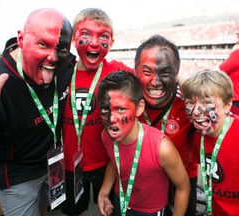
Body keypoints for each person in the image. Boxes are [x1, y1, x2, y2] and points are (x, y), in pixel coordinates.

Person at [0, 8, 75, 216]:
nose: (53, 57)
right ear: (21, 39)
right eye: (42, 44)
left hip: (51, 164)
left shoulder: (65, 63)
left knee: (44, 210)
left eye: (61, 48)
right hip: (17, 174)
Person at [61, 8, 134, 216]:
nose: (94, 43)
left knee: (109, 211)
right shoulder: (61, 71)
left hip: (107, 163)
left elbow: (149, 82)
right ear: (74, 38)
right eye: (85, 34)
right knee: (73, 212)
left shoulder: (117, 71)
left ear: (111, 43)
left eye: (103, 37)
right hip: (69, 164)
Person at [97, 70, 190, 216]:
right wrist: (103, 193)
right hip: (119, 200)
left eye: (121, 109)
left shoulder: (162, 148)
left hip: (150, 211)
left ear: (139, 107)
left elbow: (183, 187)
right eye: (105, 110)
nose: (111, 118)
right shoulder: (106, 135)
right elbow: (114, 161)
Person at [134, 34, 198, 216]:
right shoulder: (129, 100)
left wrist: (191, 91)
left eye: (165, 73)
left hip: (183, 181)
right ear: (135, 71)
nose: (155, 81)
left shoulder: (191, 104)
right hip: (143, 183)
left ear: (176, 73)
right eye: (147, 72)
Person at [180, 70, 239, 216]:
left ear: (227, 105)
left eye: (207, 103)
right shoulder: (199, 135)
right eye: (190, 103)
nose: (195, 111)